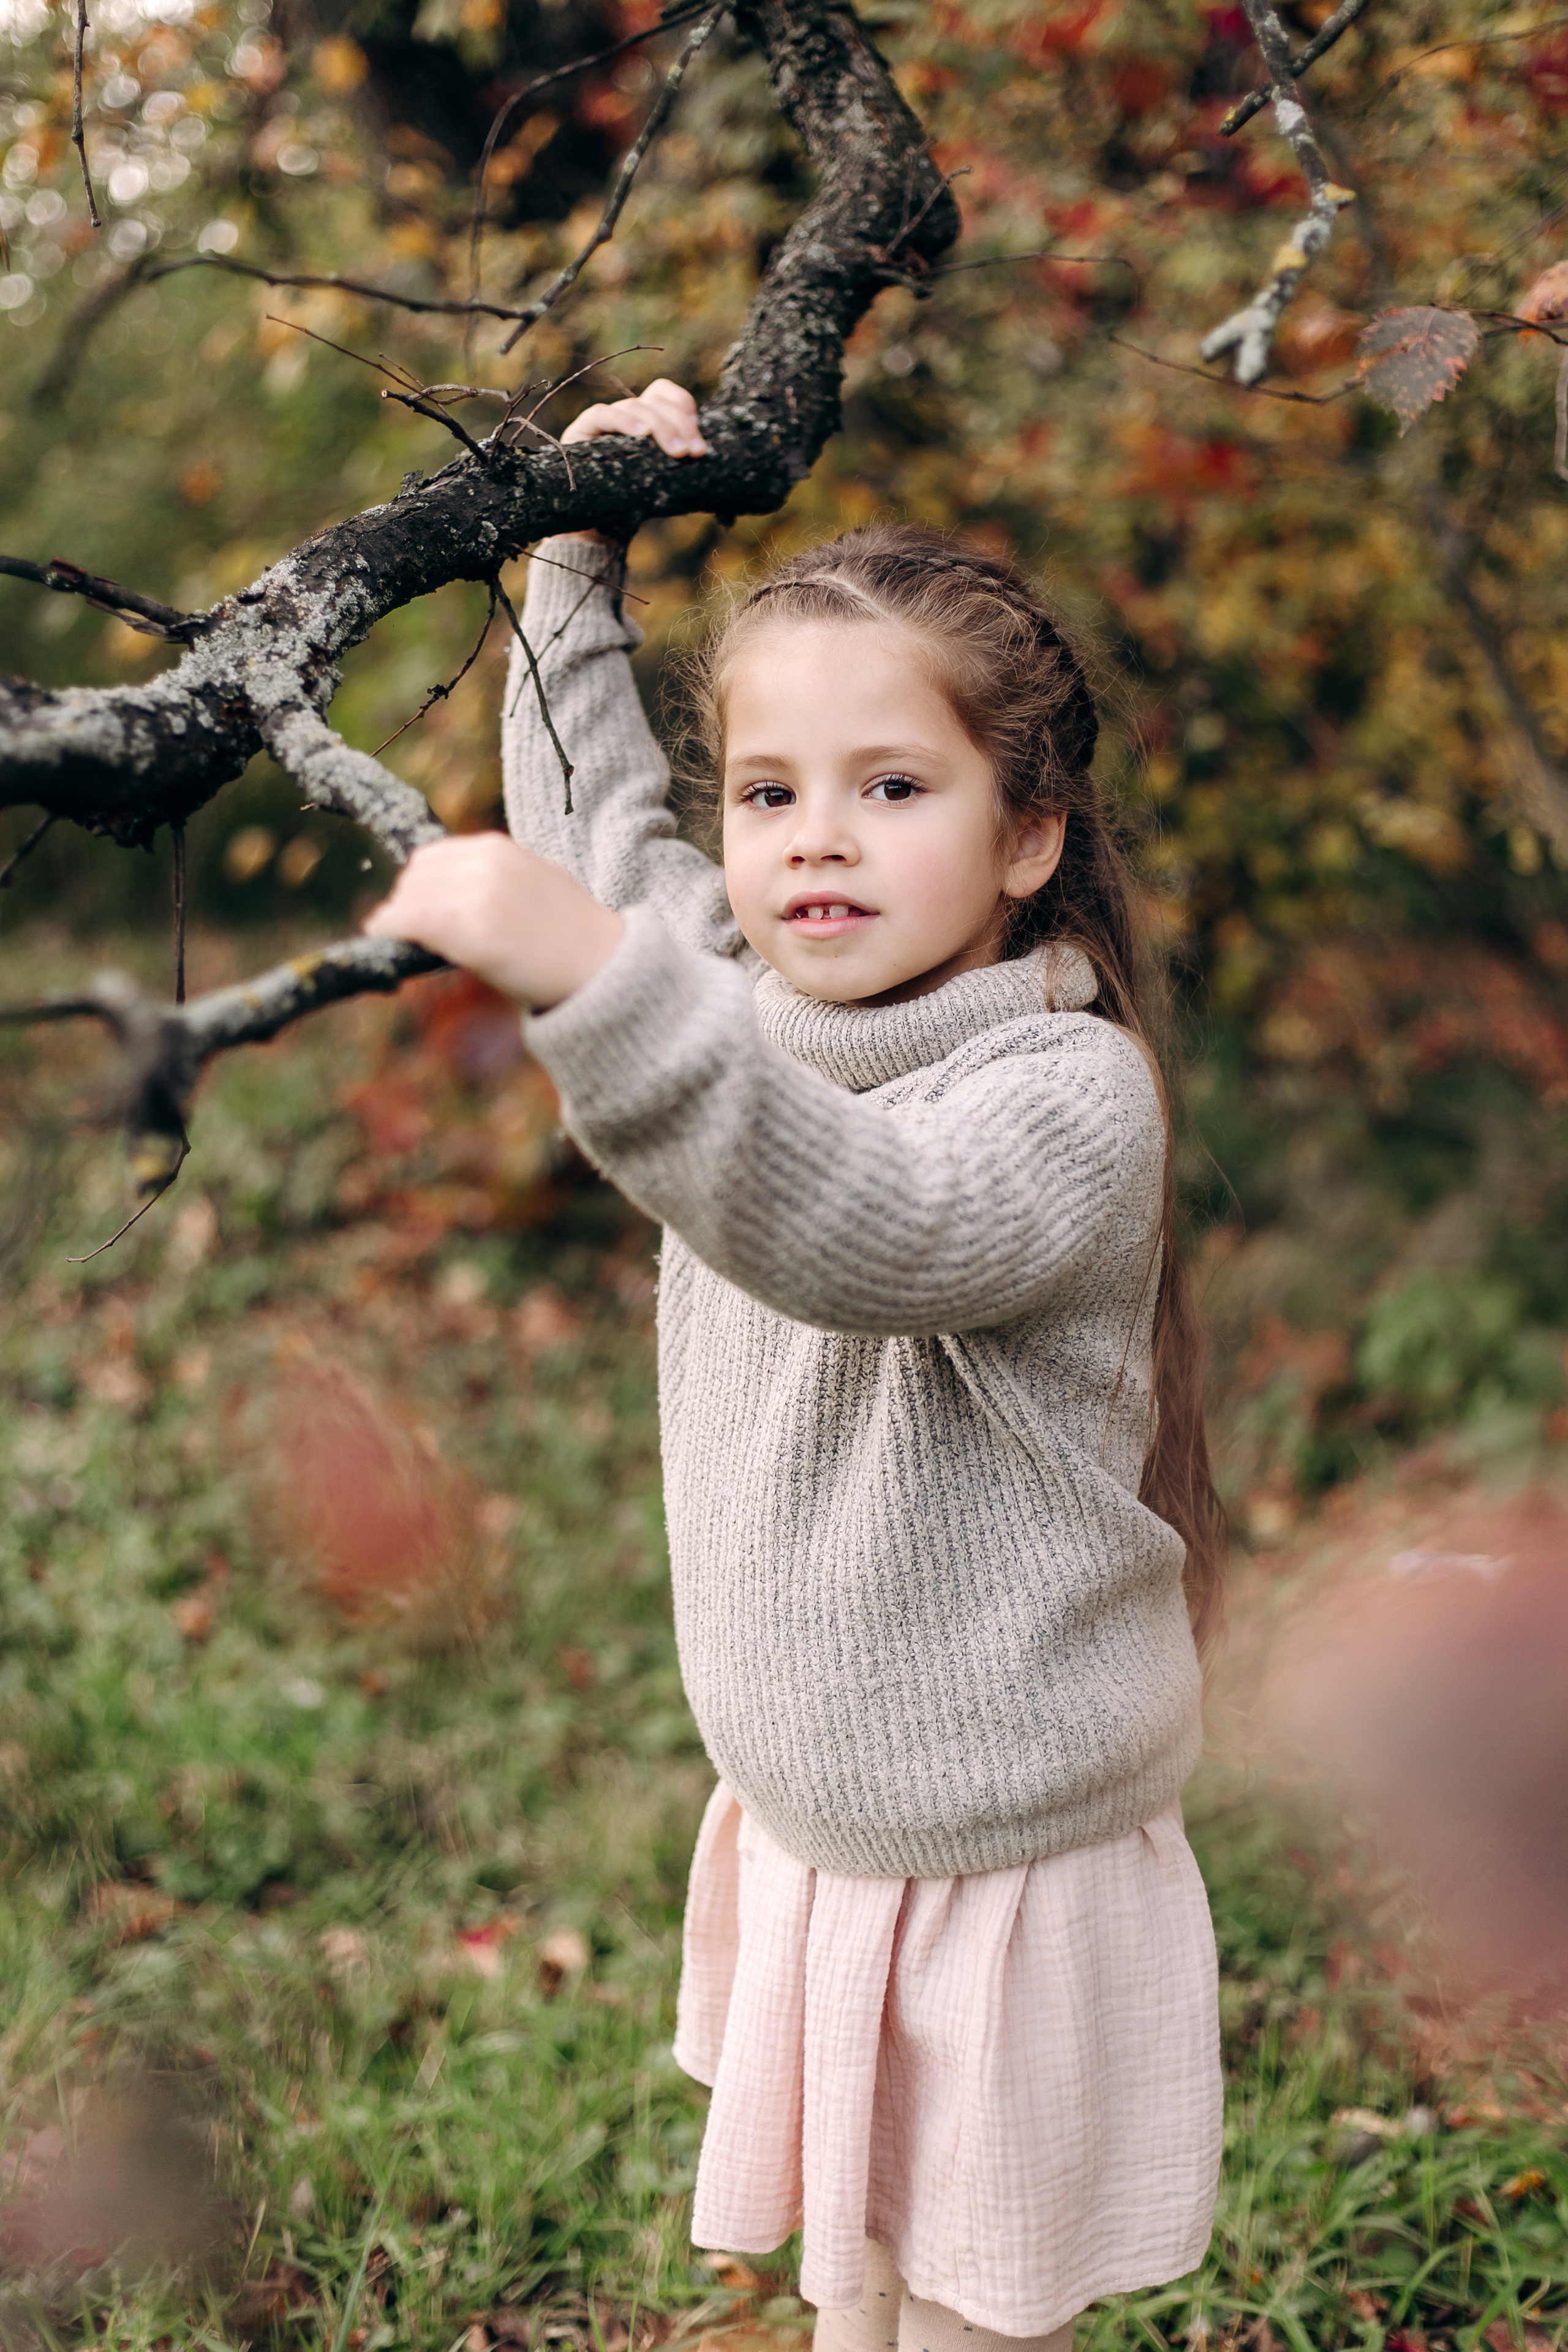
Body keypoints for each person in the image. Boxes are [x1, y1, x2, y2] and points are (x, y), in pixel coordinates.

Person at [366, 379, 1225, 2352]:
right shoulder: (754, 1004)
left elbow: (868, 1227)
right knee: (867, 2298)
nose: (811, 841)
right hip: (825, 1821)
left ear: (1028, 840)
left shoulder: (1063, 1101)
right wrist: (575, 557)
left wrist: (596, 988)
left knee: (962, 2317)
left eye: (891, 789)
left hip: (1000, 1860)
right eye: (768, 794)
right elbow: (604, 837)